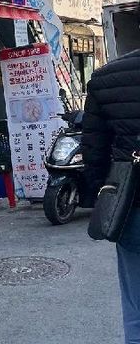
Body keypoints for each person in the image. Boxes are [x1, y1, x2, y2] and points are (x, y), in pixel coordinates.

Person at [82, 39, 140, 344]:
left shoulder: (104, 78)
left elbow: (93, 153)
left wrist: (101, 200)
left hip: (132, 207)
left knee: (136, 308)